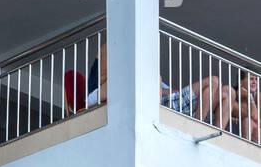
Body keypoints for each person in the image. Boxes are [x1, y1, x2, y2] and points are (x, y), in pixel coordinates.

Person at [87, 43, 235, 126]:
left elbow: (164, 90)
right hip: (165, 105)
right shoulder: (109, 86)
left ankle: (215, 130)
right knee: (214, 81)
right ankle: (197, 125)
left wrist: (166, 90)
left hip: (172, 100)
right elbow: (96, 94)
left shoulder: (144, 76)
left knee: (227, 92)